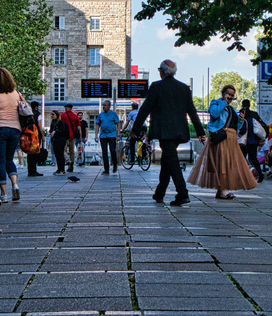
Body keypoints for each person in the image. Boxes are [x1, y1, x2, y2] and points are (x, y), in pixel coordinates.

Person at [131, 59, 205, 206]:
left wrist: (135, 129)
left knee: (171, 160)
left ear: (162, 72)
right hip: (179, 131)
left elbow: (145, 109)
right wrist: (200, 132)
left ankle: (182, 193)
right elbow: (192, 112)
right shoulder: (184, 88)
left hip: (164, 131)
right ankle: (160, 193)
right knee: (167, 159)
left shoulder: (157, 86)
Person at [188, 83, 257, 200]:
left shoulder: (232, 109)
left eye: (232, 95)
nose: (230, 97)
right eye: (228, 94)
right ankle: (223, 190)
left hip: (231, 138)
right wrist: (224, 102)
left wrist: (240, 120)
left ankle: (221, 191)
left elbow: (237, 126)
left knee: (227, 165)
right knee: (222, 165)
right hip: (221, 137)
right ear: (223, 94)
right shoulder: (216, 103)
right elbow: (214, 114)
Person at [0, 67, 23, 203]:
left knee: (0, 161)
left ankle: (4, 193)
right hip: (15, 129)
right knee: (9, 159)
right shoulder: (16, 93)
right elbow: (25, 107)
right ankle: (15, 184)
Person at [238, 99, 265, 181]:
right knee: (253, 158)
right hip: (253, 141)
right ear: (249, 105)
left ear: (242, 105)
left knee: (242, 158)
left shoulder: (241, 113)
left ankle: (243, 175)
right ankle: (260, 174)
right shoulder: (255, 114)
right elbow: (261, 125)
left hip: (244, 141)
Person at [52, 103, 80, 174]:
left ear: (66, 108)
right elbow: (79, 128)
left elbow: (60, 124)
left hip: (65, 136)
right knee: (72, 151)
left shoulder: (62, 115)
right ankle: (71, 166)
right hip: (73, 136)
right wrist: (80, 137)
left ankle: (68, 161)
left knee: (63, 151)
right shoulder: (75, 116)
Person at [95, 99, 121, 174]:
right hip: (103, 136)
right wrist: (96, 135)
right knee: (104, 152)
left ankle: (115, 165)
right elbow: (97, 124)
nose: (104, 107)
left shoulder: (113, 114)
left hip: (112, 135)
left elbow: (118, 123)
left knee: (112, 150)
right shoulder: (101, 115)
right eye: (103, 105)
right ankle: (106, 169)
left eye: (105, 105)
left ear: (109, 106)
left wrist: (118, 134)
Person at [26, 101, 45, 178]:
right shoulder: (38, 114)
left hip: (28, 134)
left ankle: (30, 170)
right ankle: (33, 170)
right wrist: (43, 135)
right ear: (36, 107)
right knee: (35, 152)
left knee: (29, 153)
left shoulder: (28, 114)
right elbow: (39, 125)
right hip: (36, 136)